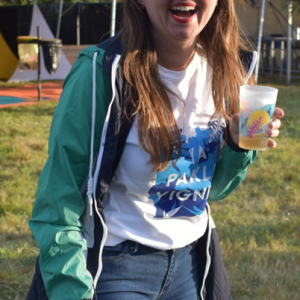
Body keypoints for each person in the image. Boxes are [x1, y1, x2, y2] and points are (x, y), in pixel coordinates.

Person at [26, 0, 284, 300]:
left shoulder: (230, 71)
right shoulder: (102, 72)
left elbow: (211, 191)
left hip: (192, 264)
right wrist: (71, 289)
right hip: (114, 269)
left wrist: (237, 147)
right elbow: (59, 200)